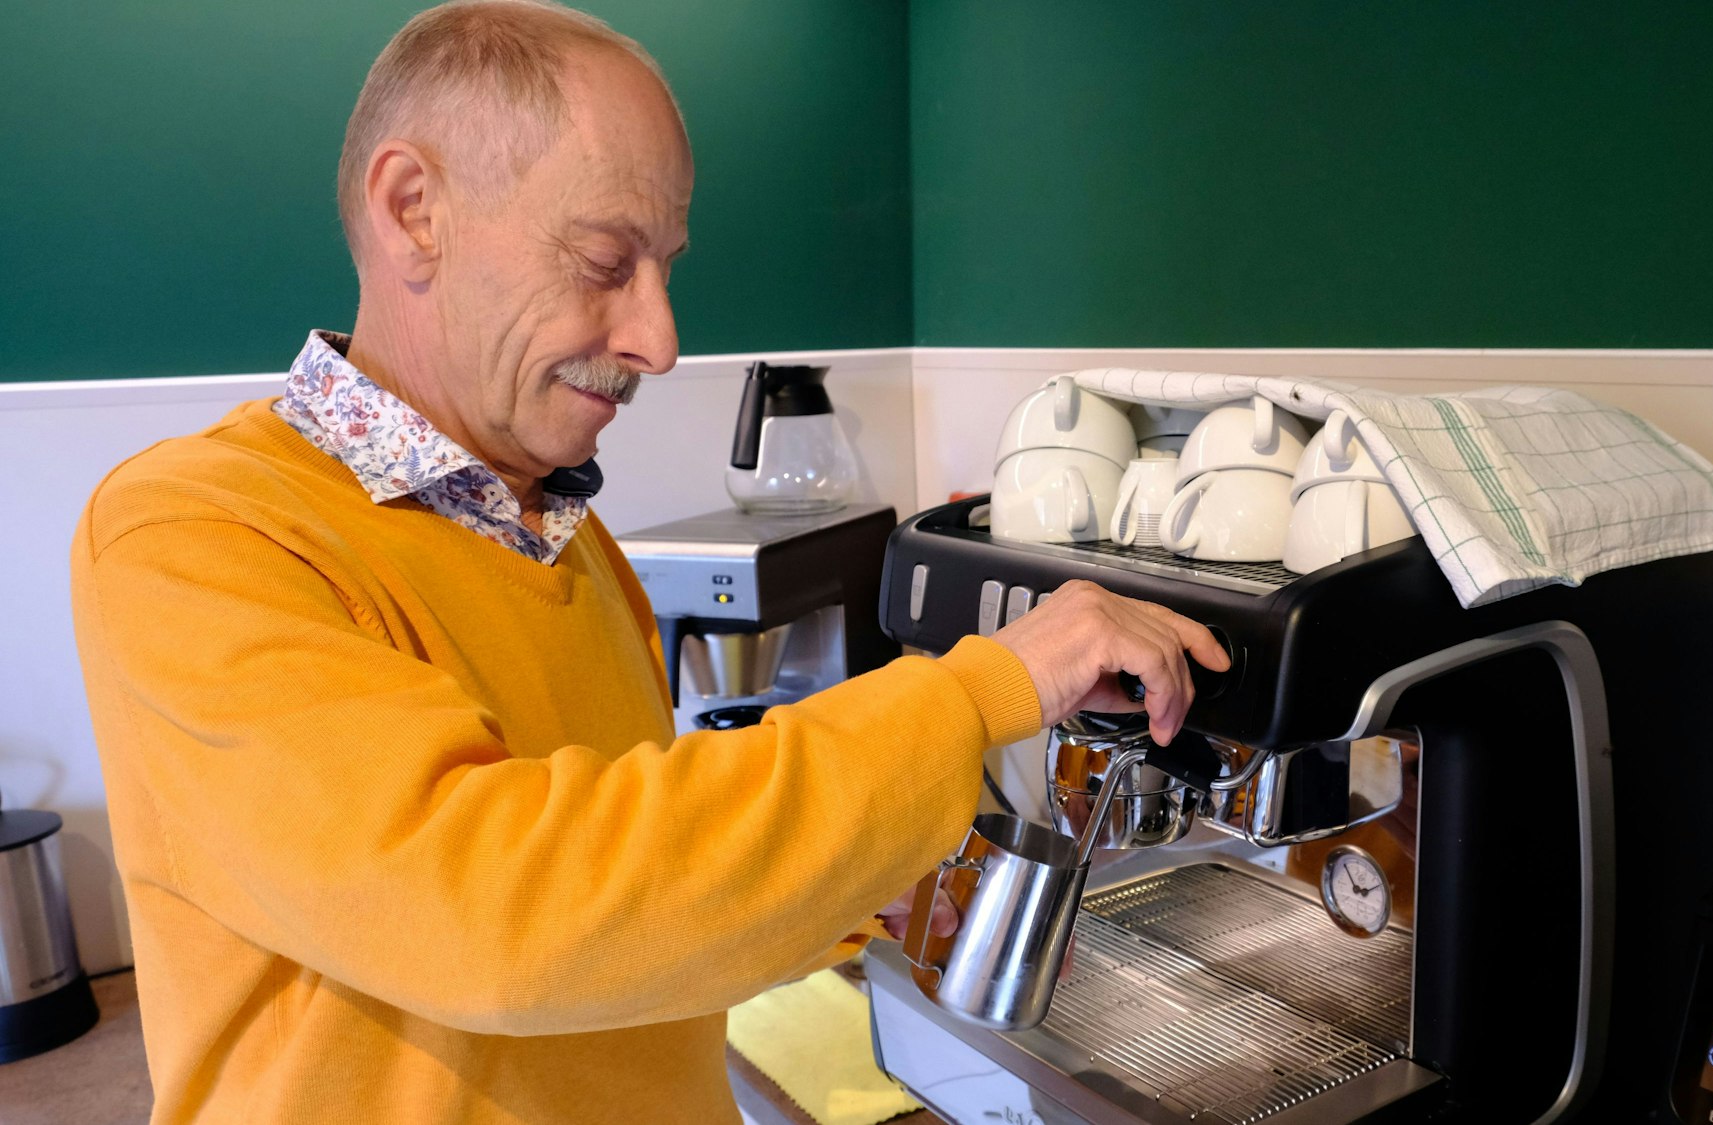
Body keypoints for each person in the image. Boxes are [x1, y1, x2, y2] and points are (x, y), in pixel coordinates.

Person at [69, 2, 1227, 1123]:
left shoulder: (561, 538)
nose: (659, 341)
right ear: (413, 209)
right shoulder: (196, 533)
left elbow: (638, 890)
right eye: (603, 260)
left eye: (663, 269)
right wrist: (981, 691)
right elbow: (500, 916)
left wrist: (852, 881)